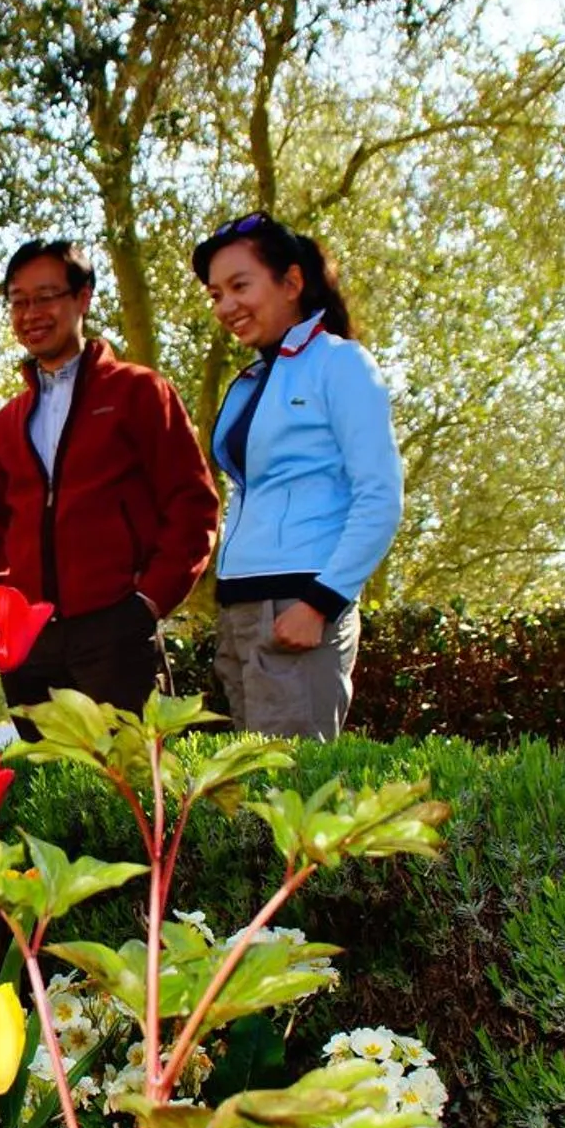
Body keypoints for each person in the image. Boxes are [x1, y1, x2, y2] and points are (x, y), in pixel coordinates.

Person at [0, 238, 219, 712]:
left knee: (130, 780)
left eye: (46, 297)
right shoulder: (2, 426)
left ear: (82, 297)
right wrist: (1, 614)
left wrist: (147, 601)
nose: (31, 313)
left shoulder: (140, 392)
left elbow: (193, 505)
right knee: (46, 780)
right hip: (30, 645)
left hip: (117, 630)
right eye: (18, 302)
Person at [194, 215, 402, 740]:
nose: (225, 307)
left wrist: (320, 603)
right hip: (242, 607)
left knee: (294, 793)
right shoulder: (253, 379)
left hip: (298, 608)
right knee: (250, 798)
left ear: (291, 283)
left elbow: (379, 497)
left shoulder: (341, 364)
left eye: (240, 286)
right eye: (216, 294)